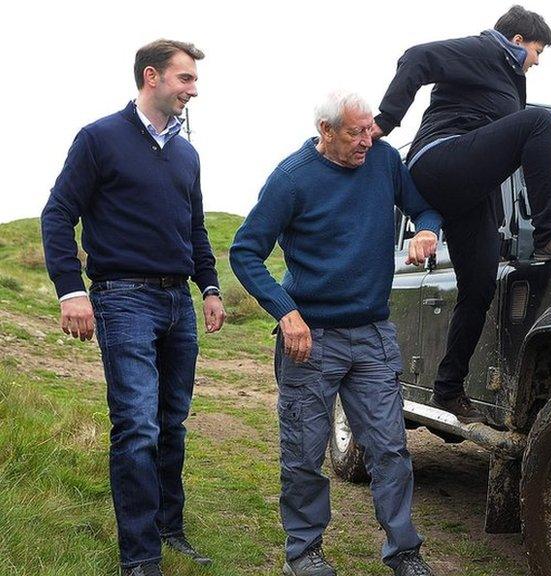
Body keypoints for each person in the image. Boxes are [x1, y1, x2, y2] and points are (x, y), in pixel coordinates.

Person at [230, 91, 440, 576]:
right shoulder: (291, 179)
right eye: (355, 132)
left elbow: (424, 208)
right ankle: (304, 554)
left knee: (390, 449)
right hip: (311, 339)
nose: (368, 139)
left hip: (371, 334)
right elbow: (245, 252)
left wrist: (426, 231)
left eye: (370, 129)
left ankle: (405, 552)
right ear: (326, 131)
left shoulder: (384, 160)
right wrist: (286, 313)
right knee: (304, 453)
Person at [40, 39, 226, 576]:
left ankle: (170, 529)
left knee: (172, 422)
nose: (194, 89)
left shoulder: (187, 153)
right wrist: (71, 290)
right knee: (137, 426)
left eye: (194, 80)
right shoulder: (99, 139)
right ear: (152, 77)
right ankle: (140, 558)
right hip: (123, 299)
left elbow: (194, 228)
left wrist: (210, 288)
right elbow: (58, 215)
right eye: (185, 78)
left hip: (177, 303)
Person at [373, 5, 551, 423]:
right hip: (439, 159)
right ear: (517, 42)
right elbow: (418, 57)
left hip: (470, 193)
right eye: (537, 51)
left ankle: (448, 388)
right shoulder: (482, 51)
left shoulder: (510, 82)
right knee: (539, 123)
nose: (538, 61)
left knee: (479, 287)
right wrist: (385, 122)